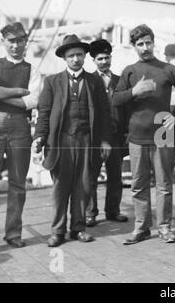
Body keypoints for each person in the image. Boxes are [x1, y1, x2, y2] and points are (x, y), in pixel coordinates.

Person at [113, 24, 175, 245]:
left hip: (163, 135)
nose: (145, 47)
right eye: (140, 44)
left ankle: (164, 227)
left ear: (154, 42)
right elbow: (115, 99)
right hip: (137, 136)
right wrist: (134, 91)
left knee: (164, 184)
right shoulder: (129, 71)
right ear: (134, 47)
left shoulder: (167, 69)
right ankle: (141, 228)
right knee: (138, 185)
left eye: (148, 42)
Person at [33, 34, 112, 247]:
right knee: (61, 187)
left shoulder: (94, 81)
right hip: (61, 141)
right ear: (65, 58)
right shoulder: (52, 82)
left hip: (87, 140)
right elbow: (44, 112)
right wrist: (40, 137)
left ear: (85, 56)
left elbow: (105, 113)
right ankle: (57, 231)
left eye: (79, 55)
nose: (75, 59)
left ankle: (78, 228)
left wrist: (105, 140)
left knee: (83, 184)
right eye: (71, 56)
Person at [0, 22, 41, 248]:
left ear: (25, 42)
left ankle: (13, 234)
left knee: (18, 182)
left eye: (20, 40)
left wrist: (1, 95)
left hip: (20, 127)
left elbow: (32, 101)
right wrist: (17, 91)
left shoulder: (34, 68)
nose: (16, 45)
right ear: (4, 42)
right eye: (11, 40)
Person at [85, 39, 128, 227]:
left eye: (107, 57)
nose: (104, 61)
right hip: (96, 137)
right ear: (93, 60)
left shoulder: (120, 81)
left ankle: (113, 210)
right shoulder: (89, 81)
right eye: (100, 58)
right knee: (91, 176)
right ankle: (90, 213)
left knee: (115, 176)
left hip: (116, 136)